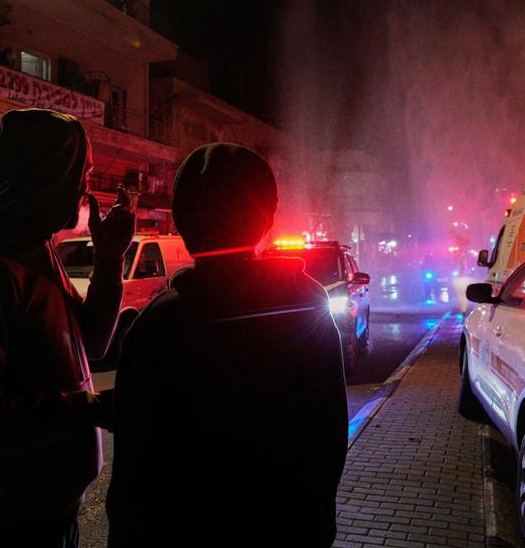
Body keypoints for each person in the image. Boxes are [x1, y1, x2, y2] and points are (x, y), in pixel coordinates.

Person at [106, 143, 348, 547]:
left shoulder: (158, 325)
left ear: (182, 221)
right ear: (266, 217)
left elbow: (135, 470)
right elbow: (327, 441)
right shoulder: (307, 307)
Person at [0, 108, 134, 547]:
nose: (85, 190)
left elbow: (92, 343)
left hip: (49, 522)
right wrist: (91, 409)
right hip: (5, 534)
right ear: (47, 175)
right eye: (82, 173)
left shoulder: (37, 249)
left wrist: (110, 262)